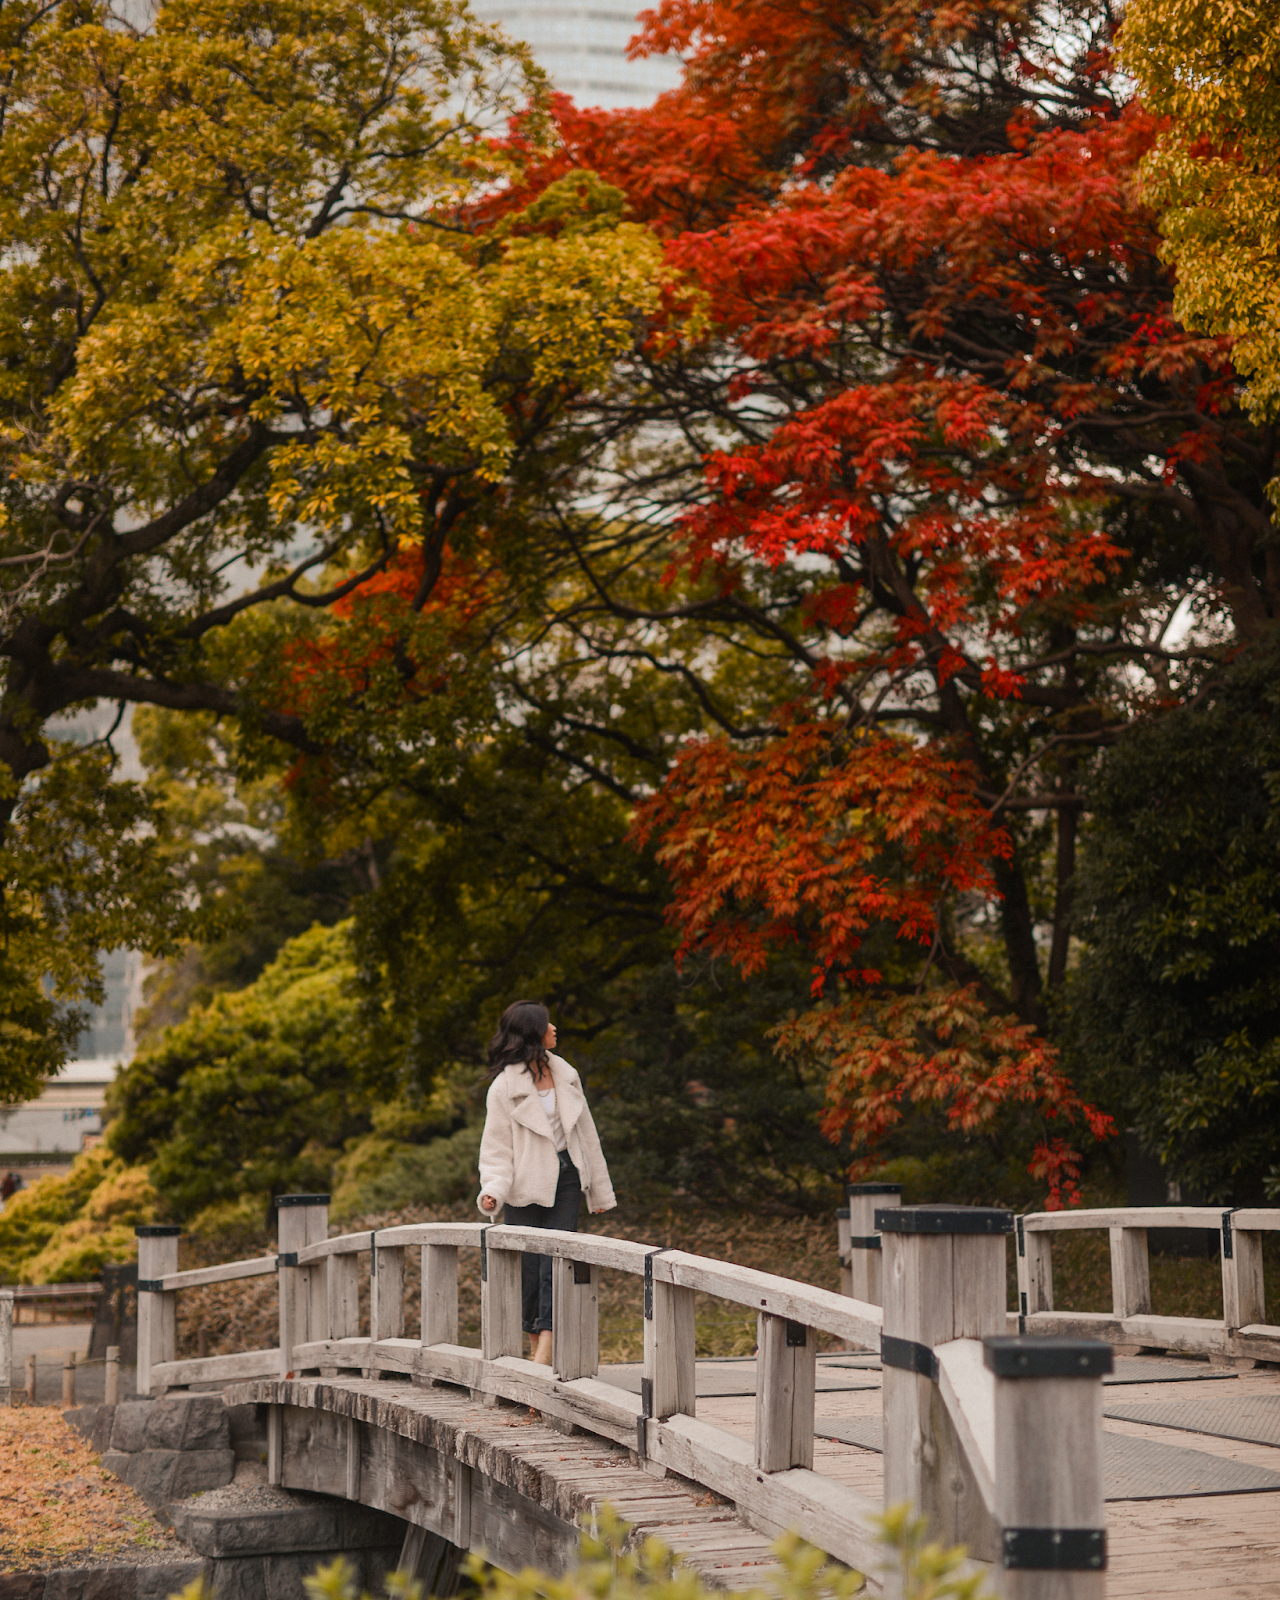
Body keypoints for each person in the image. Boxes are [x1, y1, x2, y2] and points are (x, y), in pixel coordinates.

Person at [477, 1000, 615, 1364]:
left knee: (559, 1259)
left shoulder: (566, 1075)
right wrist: (492, 1190)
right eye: (547, 1024)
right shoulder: (504, 1088)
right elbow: (496, 1148)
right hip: (525, 1185)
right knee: (531, 1265)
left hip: (567, 1178)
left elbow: (587, 1136)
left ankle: (546, 1351)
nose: (555, 1029)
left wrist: (598, 1190)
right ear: (532, 1033)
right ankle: (538, 1345)